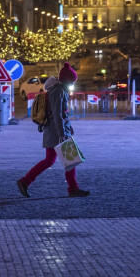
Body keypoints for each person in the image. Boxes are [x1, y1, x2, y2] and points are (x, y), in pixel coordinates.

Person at [17, 62, 90, 198]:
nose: (73, 84)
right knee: (69, 159)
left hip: (55, 130)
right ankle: (72, 188)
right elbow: (57, 113)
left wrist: (68, 127)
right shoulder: (58, 91)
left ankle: (25, 181)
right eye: (72, 81)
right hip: (57, 131)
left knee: (54, 160)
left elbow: (61, 113)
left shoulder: (57, 89)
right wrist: (62, 133)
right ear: (67, 80)